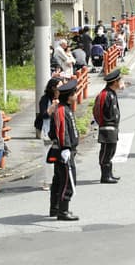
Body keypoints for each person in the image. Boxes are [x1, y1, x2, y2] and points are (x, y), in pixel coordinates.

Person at [48, 79, 80, 221]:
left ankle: (55, 208)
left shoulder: (65, 108)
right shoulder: (61, 110)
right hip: (63, 151)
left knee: (59, 180)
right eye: (75, 93)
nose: (76, 95)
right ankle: (63, 211)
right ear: (69, 96)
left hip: (62, 150)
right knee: (67, 181)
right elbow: (62, 132)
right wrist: (66, 147)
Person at [93, 69, 124, 184]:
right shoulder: (104, 95)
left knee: (111, 150)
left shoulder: (112, 93)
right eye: (119, 80)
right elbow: (97, 112)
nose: (121, 81)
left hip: (113, 127)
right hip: (107, 128)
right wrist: (102, 123)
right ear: (115, 82)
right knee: (106, 151)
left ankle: (109, 173)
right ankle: (105, 175)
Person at [37, 78, 62, 190]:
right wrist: (52, 106)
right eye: (59, 86)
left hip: (61, 131)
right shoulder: (44, 99)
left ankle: (60, 180)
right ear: (53, 88)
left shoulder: (63, 98)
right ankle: (47, 181)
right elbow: (44, 115)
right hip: (48, 131)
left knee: (62, 157)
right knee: (48, 157)